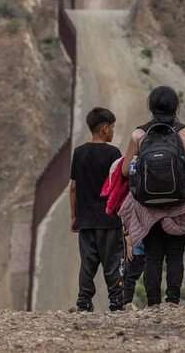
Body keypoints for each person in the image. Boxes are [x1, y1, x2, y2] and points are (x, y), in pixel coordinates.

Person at [118, 86, 185, 307]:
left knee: (152, 255)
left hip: (148, 207)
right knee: (176, 255)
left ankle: (153, 303)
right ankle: (171, 301)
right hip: (180, 205)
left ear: (151, 106)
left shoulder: (140, 134)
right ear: (174, 106)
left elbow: (124, 171)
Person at [70, 107, 124, 312]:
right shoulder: (113, 153)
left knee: (87, 263)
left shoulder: (79, 152)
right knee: (113, 263)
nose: (114, 132)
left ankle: (84, 302)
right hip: (110, 220)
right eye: (113, 128)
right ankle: (117, 302)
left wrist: (74, 215)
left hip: (86, 220)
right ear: (105, 128)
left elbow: (73, 187)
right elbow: (119, 188)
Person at [123, 240, 145, 306]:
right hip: (151, 250)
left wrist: (129, 245)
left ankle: (125, 304)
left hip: (138, 248)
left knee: (129, 278)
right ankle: (154, 303)